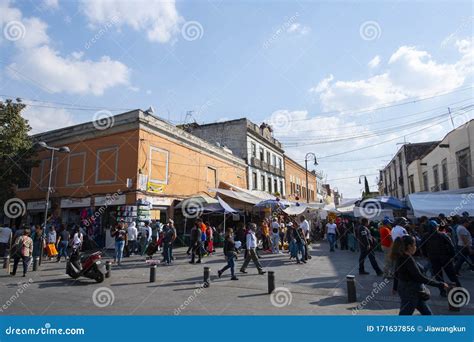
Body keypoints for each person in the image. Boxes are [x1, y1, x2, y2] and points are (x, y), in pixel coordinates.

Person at [391, 235, 448, 315]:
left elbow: (396, 273)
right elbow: (419, 277)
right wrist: (440, 284)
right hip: (411, 292)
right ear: (409, 246)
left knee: (427, 314)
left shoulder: (401, 256)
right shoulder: (407, 259)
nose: (415, 247)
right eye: (414, 245)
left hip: (411, 290)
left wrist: (395, 287)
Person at [421, 220, 460, 297]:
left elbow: (422, 247)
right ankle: (458, 290)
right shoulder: (443, 235)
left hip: (434, 258)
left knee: (439, 276)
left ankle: (443, 291)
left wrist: (426, 255)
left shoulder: (426, 236)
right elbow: (451, 246)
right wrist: (453, 256)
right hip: (444, 258)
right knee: (451, 275)